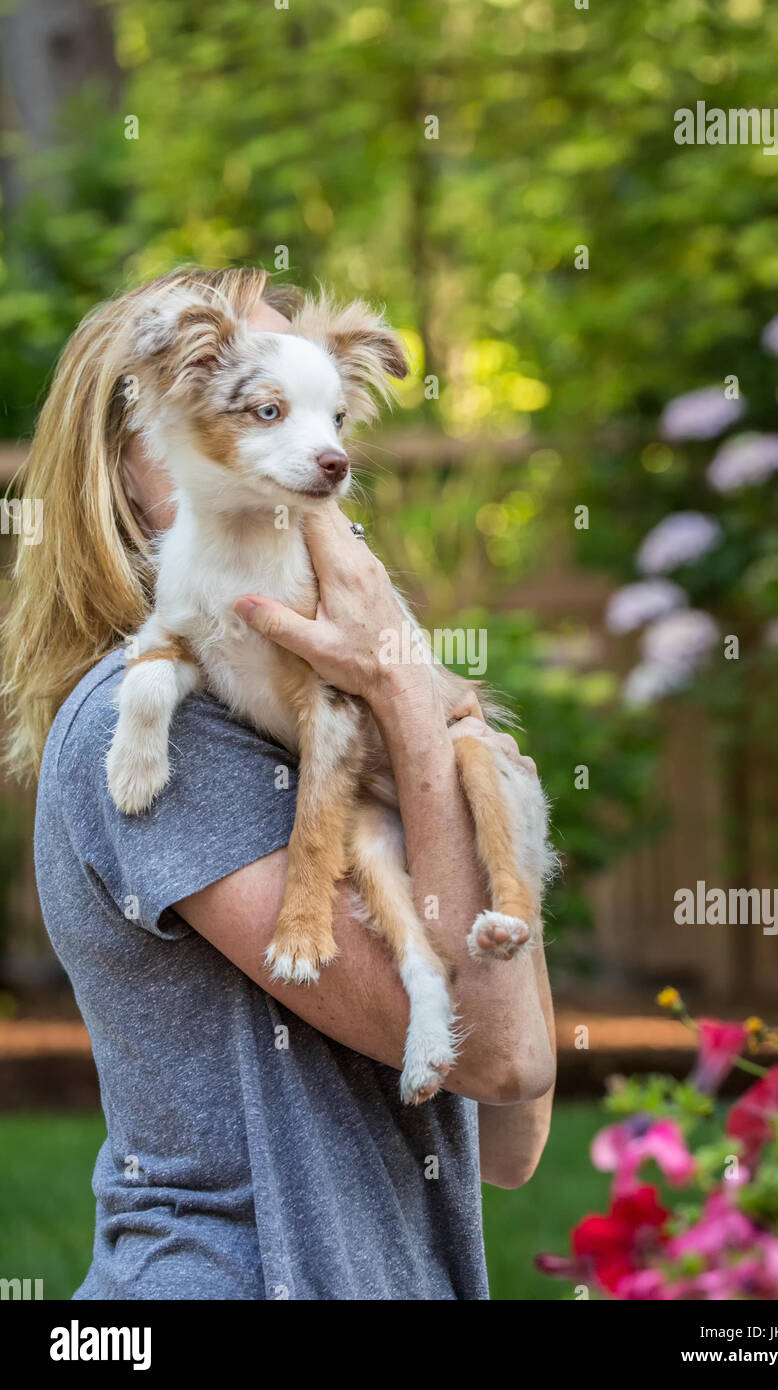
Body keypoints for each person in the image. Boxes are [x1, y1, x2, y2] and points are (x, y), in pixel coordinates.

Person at [3, 266, 556, 1300]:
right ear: (132, 456)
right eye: (260, 404)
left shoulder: (320, 705)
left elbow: (510, 1142)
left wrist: (429, 730)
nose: (314, 443)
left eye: (324, 408)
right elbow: (503, 1061)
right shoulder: (166, 728)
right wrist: (406, 692)